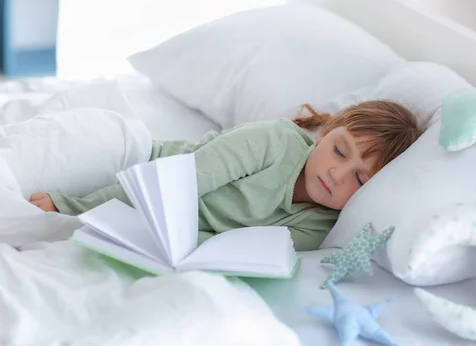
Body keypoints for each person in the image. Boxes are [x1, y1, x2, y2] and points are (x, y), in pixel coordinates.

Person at [29, 100, 422, 251]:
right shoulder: (274, 142)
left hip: (164, 223)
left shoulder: (319, 227)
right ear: (327, 130)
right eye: (339, 150)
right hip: (141, 165)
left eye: (359, 180)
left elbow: (226, 245)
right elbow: (179, 180)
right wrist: (74, 209)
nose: (337, 174)